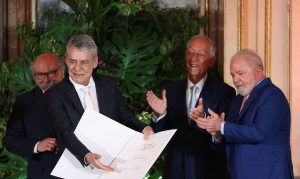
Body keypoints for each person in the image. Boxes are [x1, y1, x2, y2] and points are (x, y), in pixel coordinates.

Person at [45, 34, 154, 171]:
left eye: (84, 62)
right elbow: (64, 132)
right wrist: (87, 156)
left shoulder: (109, 85)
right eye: (72, 61)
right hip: (74, 167)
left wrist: (144, 128)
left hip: (111, 163)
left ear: (95, 62)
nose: (77, 68)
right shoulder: (55, 94)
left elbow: (125, 116)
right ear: (66, 61)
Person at [194, 49, 294, 179]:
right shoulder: (238, 99)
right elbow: (233, 133)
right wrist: (216, 132)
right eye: (233, 75)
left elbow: (259, 133)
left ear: (258, 72)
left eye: (240, 73)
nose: (235, 80)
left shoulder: (272, 95)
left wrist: (222, 126)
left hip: (268, 173)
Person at [146, 35, 236, 179]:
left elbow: (227, 137)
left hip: (208, 171)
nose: (193, 58)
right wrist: (159, 115)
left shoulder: (225, 92)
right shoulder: (170, 90)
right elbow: (158, 135)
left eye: (200, 54)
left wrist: (211, 127)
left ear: (211, 60)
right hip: (176, 171)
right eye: (190, 52)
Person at [4, 52, 65, 179]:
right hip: (42, 174)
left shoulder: (80, 94)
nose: (45, 79)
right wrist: (37, 146)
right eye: (39, 75)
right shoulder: (24, 101)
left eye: (51, 73)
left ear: (61, 72)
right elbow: (11, 140)